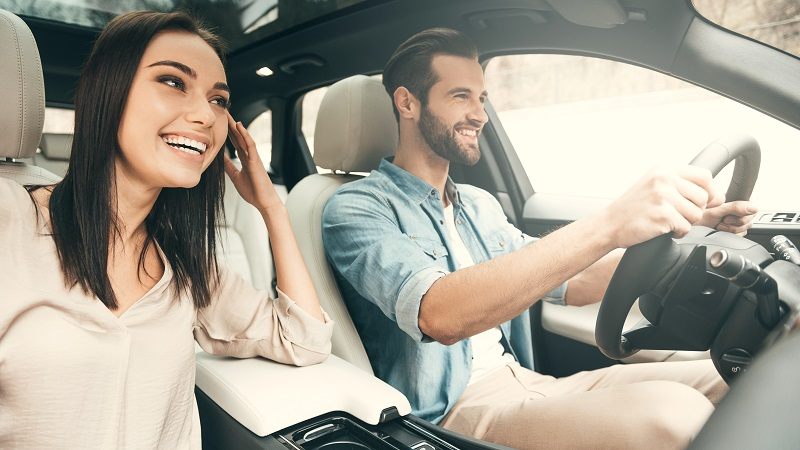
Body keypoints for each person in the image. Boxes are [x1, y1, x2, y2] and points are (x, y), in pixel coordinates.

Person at [322, 28, 756, 449]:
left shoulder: (477, 204)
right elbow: (440, 314)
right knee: (678, 415)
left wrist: (691, 233)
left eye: (482, 98)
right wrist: (611, 221)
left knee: (742, 377)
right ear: (407, 103)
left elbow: (572, 283)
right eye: (460, 96)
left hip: (531, 383)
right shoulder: (356, 210)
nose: (480, 114)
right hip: (452, 414)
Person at [0, 11, 332, 449]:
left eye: (218, 100)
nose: (204, 116)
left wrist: (271, 207)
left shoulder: (187, 265)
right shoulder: (12, 220)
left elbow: (304, 339)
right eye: (173, 82)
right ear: (109, 92)